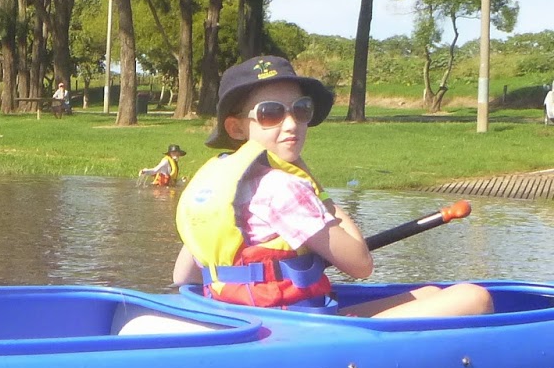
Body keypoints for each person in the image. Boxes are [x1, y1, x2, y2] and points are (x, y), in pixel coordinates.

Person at [171, 55, 491, 319]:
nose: (291, 124)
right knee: (474, 297)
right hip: (292, 328)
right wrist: (318, 192)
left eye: (301, 109)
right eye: (271, 113)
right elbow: (360, 265)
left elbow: (183, 278)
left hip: (245, 316)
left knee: (429, 294)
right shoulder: (283, 188)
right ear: (236, 127)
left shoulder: (215, 186)